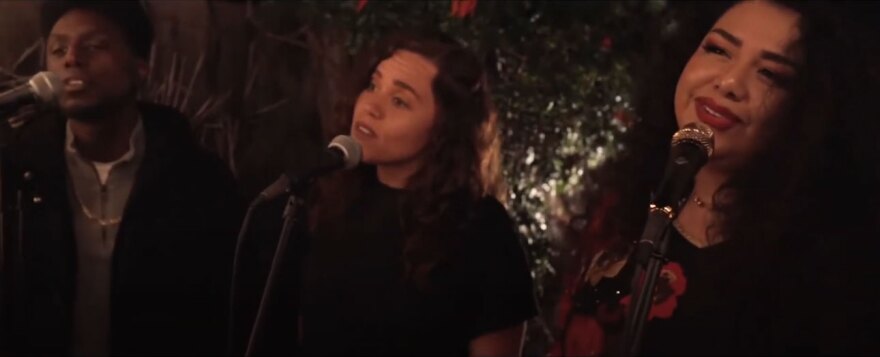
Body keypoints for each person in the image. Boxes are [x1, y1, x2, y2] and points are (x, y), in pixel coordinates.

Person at [553, 0, 880, 355]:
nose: (729, 82)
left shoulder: (832, 269)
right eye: (718, 49)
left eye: (770, 74)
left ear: (812, 110)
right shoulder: (625, 204)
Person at [239, 30, 538, 355]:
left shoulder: (483, 230)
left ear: (444, 130)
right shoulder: (331, 199)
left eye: (399, 101)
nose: (371, 106)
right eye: (372, 85)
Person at [0, 1, 243, 355]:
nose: (71, 59)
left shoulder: (197, 179)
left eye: (94, 46)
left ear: (141, 66)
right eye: (58, 49)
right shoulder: (17, 172)